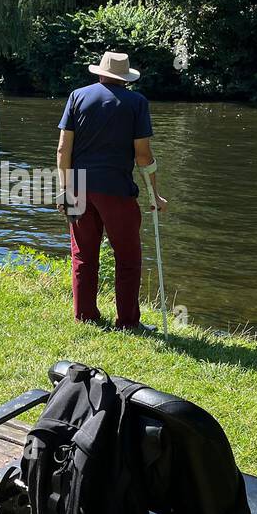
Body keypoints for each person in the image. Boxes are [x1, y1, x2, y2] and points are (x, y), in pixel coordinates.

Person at [57, 50, 166, 331]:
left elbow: (62, 149)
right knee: (127, 258)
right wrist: (154, 193)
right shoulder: (136, 102)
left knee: (83, 255)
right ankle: (128, 322)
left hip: (79, 187)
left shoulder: (77, 96)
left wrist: (64, 190)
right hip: (116, 190)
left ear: (100, 72)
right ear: (125, 79)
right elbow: (143, 155)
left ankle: (85, 316)